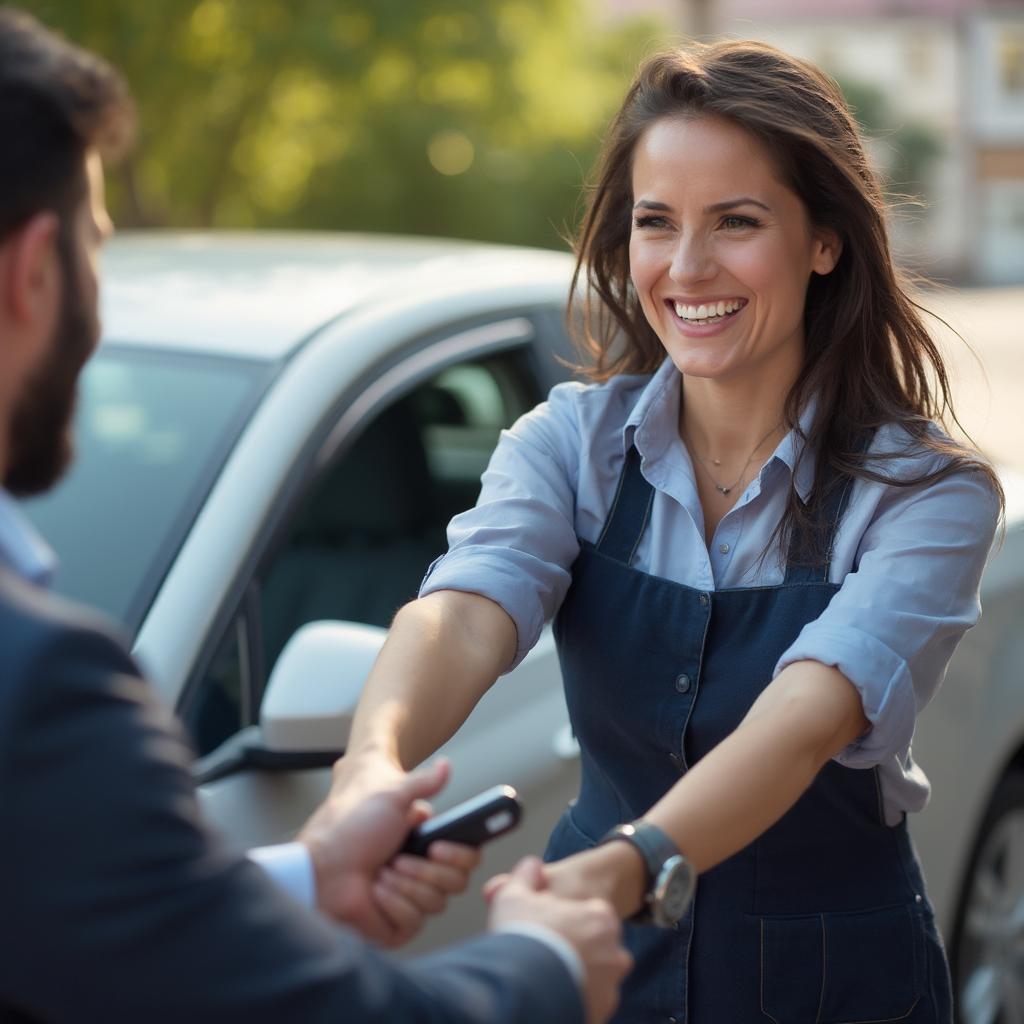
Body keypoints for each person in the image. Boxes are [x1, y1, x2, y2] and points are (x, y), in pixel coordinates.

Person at [338, 40, 1003, 1023]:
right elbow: (467, 609)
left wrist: (628, 866)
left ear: (826, 240)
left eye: (736, 221)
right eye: (657, 223)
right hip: (591, 956)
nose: (686, 267)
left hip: (829, 979)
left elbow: (804, 718)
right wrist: (369, 765)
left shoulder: (926, 492)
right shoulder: (572, 442)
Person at [0, 8, 632, 1022]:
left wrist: (304, 876)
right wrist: (543, 963)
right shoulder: (36, 687)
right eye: (93, 250)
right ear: (33, 273)